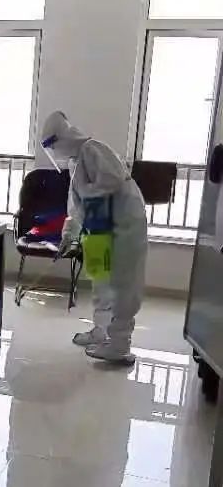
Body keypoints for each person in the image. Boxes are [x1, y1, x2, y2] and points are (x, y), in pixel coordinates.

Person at [40, 111, 148, 364]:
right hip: (98, 228)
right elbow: (76, 207)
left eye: (53, 144)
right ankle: (101, 331)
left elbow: (111, 182)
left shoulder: (93, 149)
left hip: (124, 224)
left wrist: (86, 196)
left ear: (64, 137)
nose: (54, 151)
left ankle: (119, 344)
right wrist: (68, 234)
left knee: (123, 282)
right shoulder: (76, 162)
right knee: (100, 279)